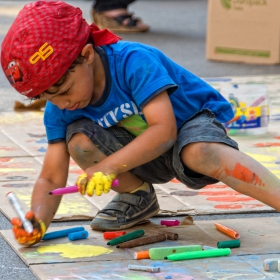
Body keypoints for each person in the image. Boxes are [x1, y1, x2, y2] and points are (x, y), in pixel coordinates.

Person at [1, 1, 280, 247]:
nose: (61, 104)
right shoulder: (60, 107)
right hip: (143, 156)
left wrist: (109, 167)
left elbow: (164, 131)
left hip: (190, 128)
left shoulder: (133, 61)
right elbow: (50, 177)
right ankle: (137, 197)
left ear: (86, 56)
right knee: (80, 143)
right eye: (49, 97)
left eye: (63, 91)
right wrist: (36, 221)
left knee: (199, 152)